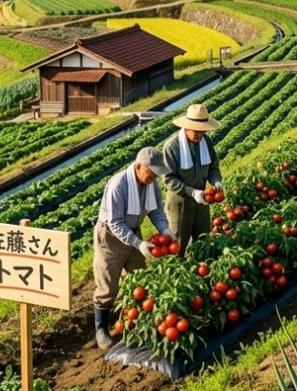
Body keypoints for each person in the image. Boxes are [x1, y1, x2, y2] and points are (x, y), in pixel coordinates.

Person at [93, 147, 174, 350]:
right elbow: (115, 222)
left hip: (133, 231)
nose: (154, 176)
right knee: (108, 284)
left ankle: (138, 320)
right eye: (151, 171)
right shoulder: (118, 185)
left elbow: (155, 211)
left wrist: (166, 229)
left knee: (139, 278)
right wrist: (138, 243)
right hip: (110, 237)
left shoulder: (151, 184)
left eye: (157, 173)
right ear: (138, 167)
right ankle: (101, 329)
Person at [163, 104, 223, 256]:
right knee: (178, 244)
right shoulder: (172, 146)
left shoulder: (206, 143)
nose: (199, 135)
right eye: (196, 131)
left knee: (202, 240)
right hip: (180, 203)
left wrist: (216, 181)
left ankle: (198, 271)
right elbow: (168, 179)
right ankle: (178, 274)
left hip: (202, 201)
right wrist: (191, 192)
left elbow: (213, 168)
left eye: (203, 131)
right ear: (186, 127)